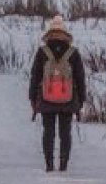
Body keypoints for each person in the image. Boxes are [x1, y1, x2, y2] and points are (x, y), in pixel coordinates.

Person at [29, 13, 86, 172]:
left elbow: (35, 76)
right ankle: (63, 164)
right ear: (65, 33)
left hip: (46, 99)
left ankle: (49, 164)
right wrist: (81, 100)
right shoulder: (73, 53)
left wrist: (33, 98)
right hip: (68, 100)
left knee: (48, 132)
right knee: (65, 133)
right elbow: (80, 77)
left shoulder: (42, 52)